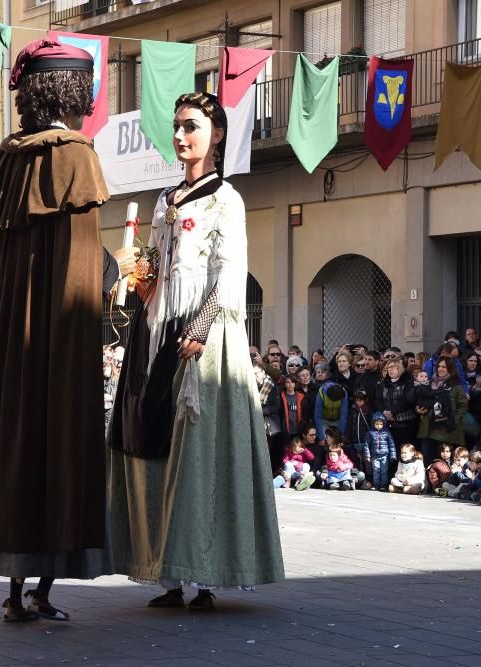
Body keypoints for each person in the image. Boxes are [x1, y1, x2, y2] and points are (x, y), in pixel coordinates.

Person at [0, 40, 133, 623]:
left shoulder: (8, 158)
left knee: (13, 441)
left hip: (7, 339)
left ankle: (12, 587)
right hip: (58, 340)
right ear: (77, 92)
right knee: (57, 444)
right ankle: (44, 591)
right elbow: (80, 268)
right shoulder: (77, 155)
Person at [108, 91, 284, 611]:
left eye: (192, 126)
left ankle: (205, 572)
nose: (181, 136)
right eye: (177, 127)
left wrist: (203, 327)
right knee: (147, 440)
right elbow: (163, 271)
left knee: (200, 454)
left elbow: (229, 273)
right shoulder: (166, 200)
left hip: (203, 334)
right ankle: (164, 571)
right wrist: (141, 279)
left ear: (218, 134)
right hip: (156, 329)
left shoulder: (225, 199)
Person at [363, 412, 396, 491]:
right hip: (374, 455)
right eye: (377, 424)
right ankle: (376, 484)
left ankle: (383, 485)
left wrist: (393, 455)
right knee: (376, 470)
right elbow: (366, 444)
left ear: (384, 424)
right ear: (373, 423)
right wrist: (367, 455)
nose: (379, 426)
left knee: (384, 470)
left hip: (385, 454)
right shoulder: (370, 432)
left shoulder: (387, 432)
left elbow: (391, 444)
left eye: (381, 424)